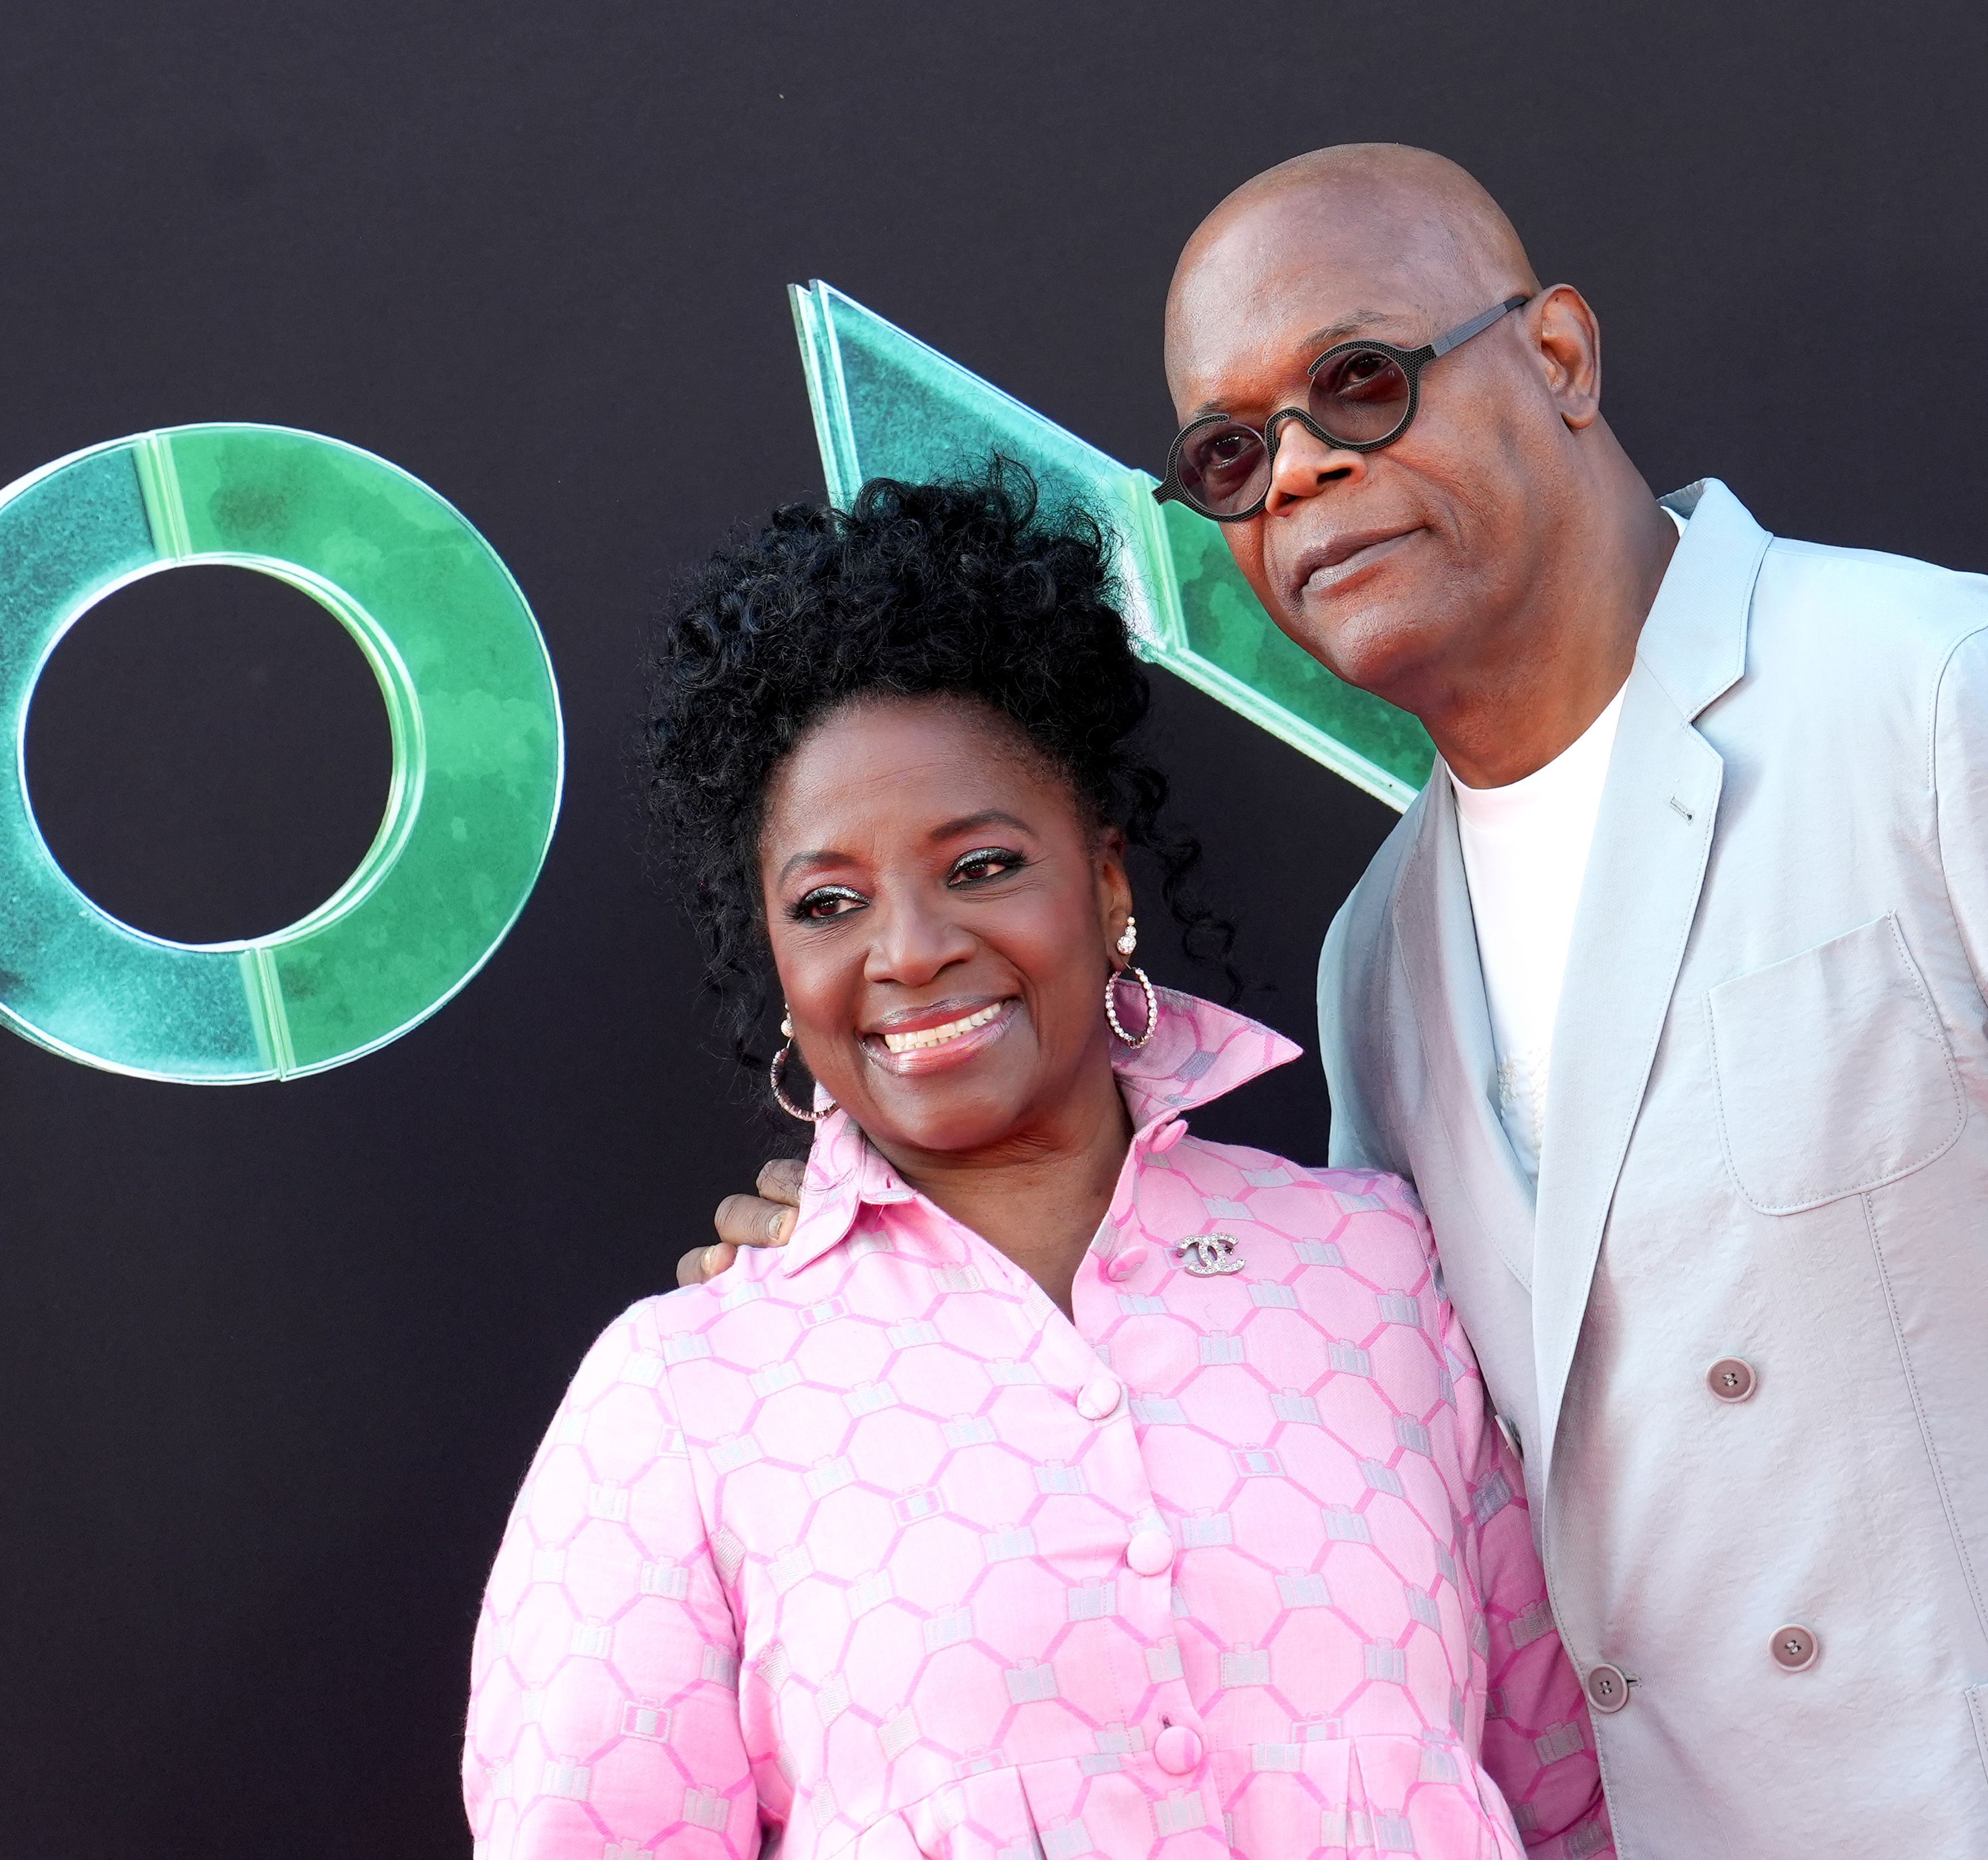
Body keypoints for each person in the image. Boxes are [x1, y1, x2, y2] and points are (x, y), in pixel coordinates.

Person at [703, 148, 1988, 1858]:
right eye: (1230, 456)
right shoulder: (1385, 960)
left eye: (1360, 381)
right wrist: (887, 1276)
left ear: (1564, 355)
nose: (1306, 476)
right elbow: (1362, 1475)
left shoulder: (1935, 704)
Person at [468, 471, 1612, 1859]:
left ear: (1106, 884)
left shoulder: (1373, 1271)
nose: (908, 949)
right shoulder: (685, 1397)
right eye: (829, 902)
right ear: (779, 964)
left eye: (982, 864)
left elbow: (1562, 1794)